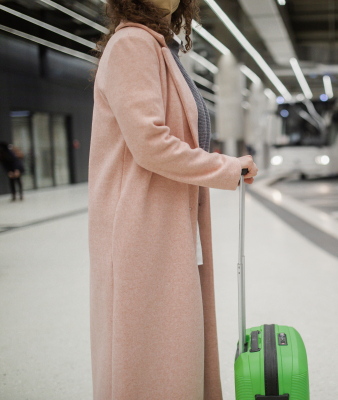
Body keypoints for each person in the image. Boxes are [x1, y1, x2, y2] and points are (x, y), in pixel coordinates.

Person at [87, 0, 257, 398]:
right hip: (140, 224)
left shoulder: (159, 47)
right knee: (151, 351)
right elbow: (149, 143)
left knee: (166, 345)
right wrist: (225, 168)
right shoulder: (133, 43)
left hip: (160, 221)